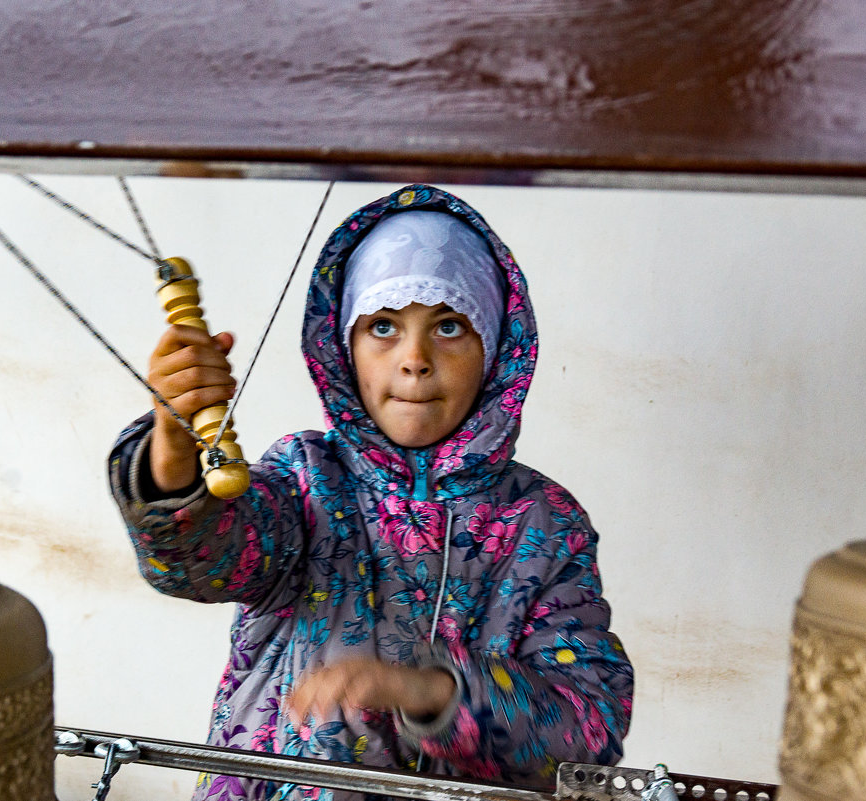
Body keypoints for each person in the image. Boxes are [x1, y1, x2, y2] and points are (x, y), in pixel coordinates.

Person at [109, 184, 633, 801]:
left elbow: (589, 731)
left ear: (495, 349)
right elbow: (203, 562)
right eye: (383, 326)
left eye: (448, 325)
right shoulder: (306, 480)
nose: (414, 359)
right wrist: (175, 438)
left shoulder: (546, 525)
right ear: (343, 348)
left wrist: (431, 692)